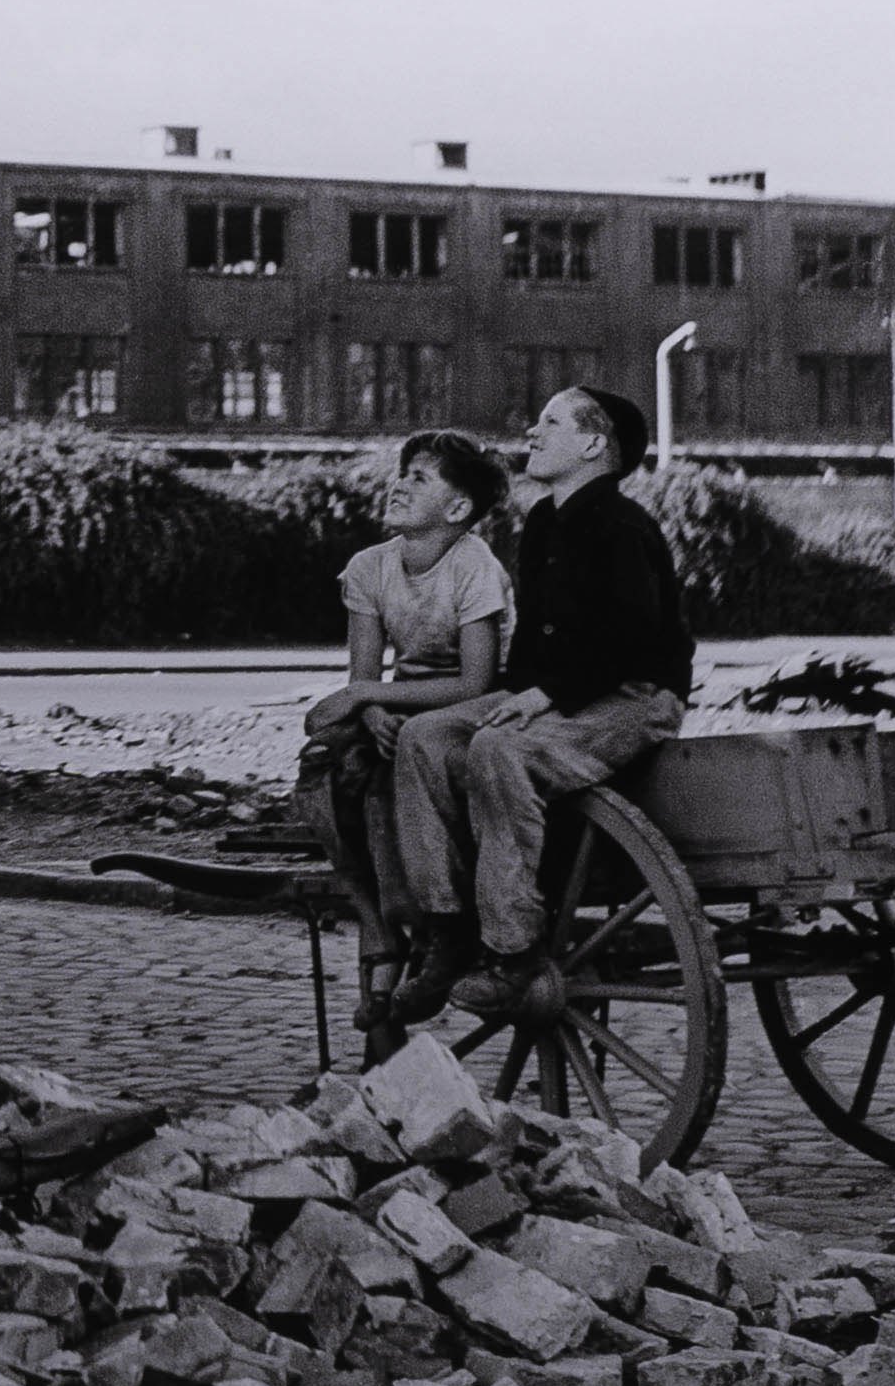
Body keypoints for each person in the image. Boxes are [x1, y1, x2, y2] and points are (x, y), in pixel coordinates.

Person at [387, 384, 693, 1023]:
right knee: (427, 738)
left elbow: (635, 638)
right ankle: (446, 929)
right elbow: (534, 642)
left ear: (591, 445)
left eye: (549, 423)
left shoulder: (621, 525)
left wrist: (544, 697)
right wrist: (513, 694)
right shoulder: (544, 524)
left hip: (634, 696)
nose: (531, 432)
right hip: (556, 697)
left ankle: (513, 948)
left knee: (501, 749)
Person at [295, 430, 513, 1034]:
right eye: (404, 471)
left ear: (458, 509)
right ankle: (375, 921)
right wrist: (369, 711)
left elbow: (476, 681)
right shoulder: (370, 567)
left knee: (391, 776)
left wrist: (369, 696)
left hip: (475, 703)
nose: (401, 483)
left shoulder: (474, 565)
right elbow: (362, 674)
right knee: (325, 762)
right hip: (399, 700)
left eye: (422, 477)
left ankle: (430, 925)